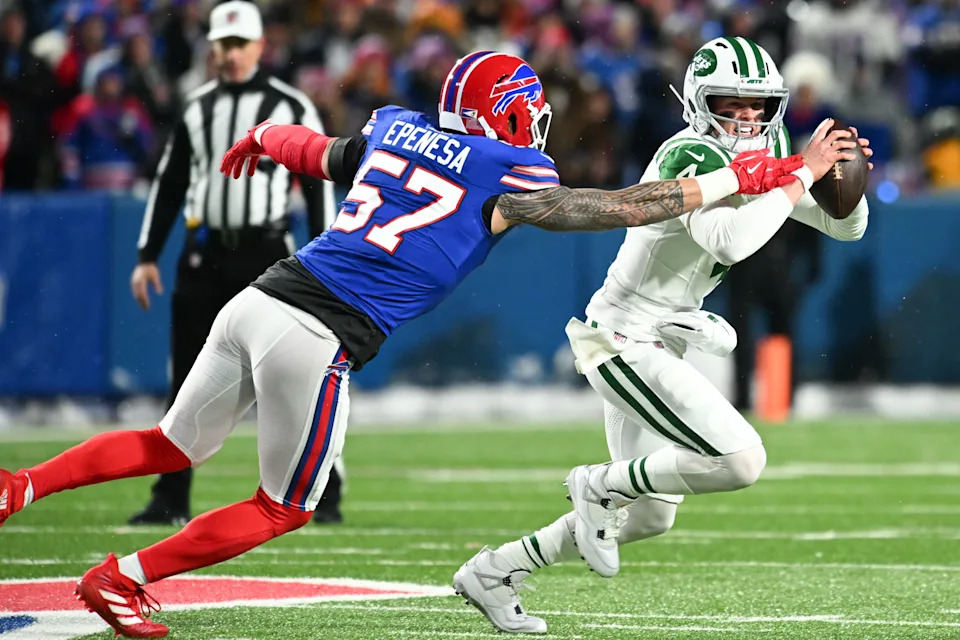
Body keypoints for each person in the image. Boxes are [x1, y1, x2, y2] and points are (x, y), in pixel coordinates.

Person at [0, 49, 808, 639]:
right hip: (318, 334)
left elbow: (315, 153)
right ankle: (122, 580)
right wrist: (745, 178)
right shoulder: (510, 168)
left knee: (170, 442)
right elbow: (618, 207)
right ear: (511, 113)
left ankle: (21, 486)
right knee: (283, 507)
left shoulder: (397, 131)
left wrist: (262, 138)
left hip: (260, 298)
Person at [454, 37, 871, 634]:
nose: (749, 118)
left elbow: (844, 228)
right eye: (733, 102)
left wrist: (843, 182)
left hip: (660, 337)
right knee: (741, 458)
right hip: (622, 337)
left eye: (759, 105)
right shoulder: (691, 153)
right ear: (701, 102)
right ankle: (594, 483)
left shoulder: (771, 148)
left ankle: (495, 571)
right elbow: (728, 239)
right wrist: (803, 173)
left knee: (649, 516)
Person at [127, 0, 341, 527]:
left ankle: (323, 487)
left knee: (293, 376)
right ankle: (171, 494)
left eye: (239, 44)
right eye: (221, 44)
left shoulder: (290, 106)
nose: (229, 54)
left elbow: (317, 186)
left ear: (260, 46)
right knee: (186, 377)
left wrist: (330, 258)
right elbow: (171, 182)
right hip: (202, 254)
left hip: (265, 255)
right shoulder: (196, 106)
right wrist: (147, 254)